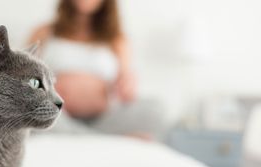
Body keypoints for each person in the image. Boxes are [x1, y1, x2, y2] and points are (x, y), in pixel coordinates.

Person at [28, 0, 164, 140]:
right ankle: (100, 138)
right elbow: (22, 73)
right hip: (57, 114)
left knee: (157, 109)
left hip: (104, 119)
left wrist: (127, 84)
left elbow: (126, 82)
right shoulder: (44, 32)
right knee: (29, 107)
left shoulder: (117, 39)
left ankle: (80, 135)